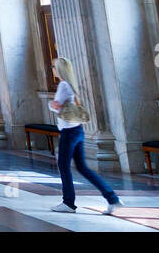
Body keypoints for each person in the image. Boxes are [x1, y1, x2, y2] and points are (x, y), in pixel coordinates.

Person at [50, 56, 122, 214]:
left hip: (68, 132)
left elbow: (56, 106)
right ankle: (112, 198)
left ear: (60, 69)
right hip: (77, 130)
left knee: (64, 167)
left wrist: (51, 105)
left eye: (54, 67)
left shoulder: (63, 85)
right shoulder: (71, 86)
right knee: (82, 167)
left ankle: (68, 203)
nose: (53, 69)